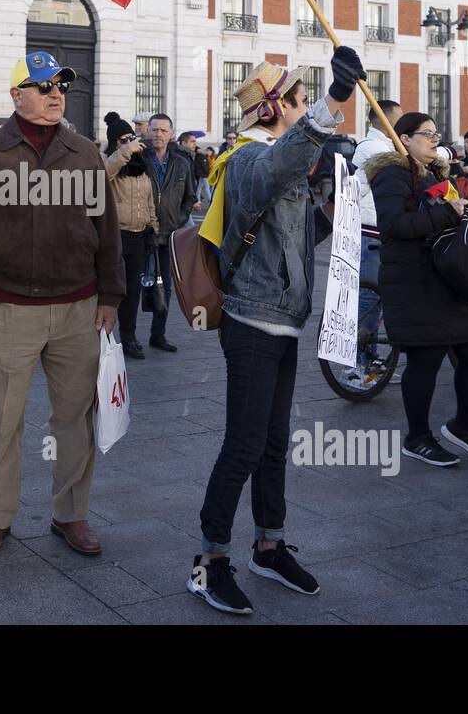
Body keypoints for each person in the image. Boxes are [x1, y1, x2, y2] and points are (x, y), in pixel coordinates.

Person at [186, 49, 359, 616]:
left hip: (285, 323)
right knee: (243, 444)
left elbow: (296, 241)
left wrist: (352, 194)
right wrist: (333, 106)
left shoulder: (279, 159)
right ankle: (209, 560)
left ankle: (268, 544)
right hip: (252, 323)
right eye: (300, 98)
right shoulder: (244, 160)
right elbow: (275, 173)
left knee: (275, 443)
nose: (306, 103)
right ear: (274, 109)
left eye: (309, 97)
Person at [0, 52, 124, 559]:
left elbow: (108, 231)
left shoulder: (84, 152)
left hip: (79, 307)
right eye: (43, 86)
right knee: (1, 419)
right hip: (8, 306)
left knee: (75, 419)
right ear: (16, 95)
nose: (56, 94)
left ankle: (71, 515)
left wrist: (111, 295)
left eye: (61, 86)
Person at [366, 114, 468, 468]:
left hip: (448, 279)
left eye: (436, 134)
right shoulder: (391, 174)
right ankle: (418, 437)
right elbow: (394, 225)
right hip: (414, 281)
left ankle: (464, 426)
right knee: (426, 360)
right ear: (405, 139)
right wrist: (448, 215)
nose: (434, 140)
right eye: (427, 134)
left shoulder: (439, 174)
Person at [352, 98, 402, 377]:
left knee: (377, 295)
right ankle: (359, 360)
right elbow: (404, 163)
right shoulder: (373, 148)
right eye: (399, 119)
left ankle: (368, 357)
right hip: (370, 230)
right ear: (384, 121)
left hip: (378, 229)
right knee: (369, 296)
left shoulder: (384, 146)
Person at [104, 111, 158, 361]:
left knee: (133, 291)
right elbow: (104, 174)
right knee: (109, 291)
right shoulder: (110, 162)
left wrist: (153, 228)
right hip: (115, 237)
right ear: (115, 143)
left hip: (138, 238)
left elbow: (149, 201)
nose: (129, 142)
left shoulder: (141, 166)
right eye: (122, 139)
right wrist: (126, 150)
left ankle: (129, 337)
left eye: (131, 138)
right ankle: (102, 336)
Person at [143, 112, 196, 352]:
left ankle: (158, 334)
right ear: (148, 131)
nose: (159, 134)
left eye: (164, 130)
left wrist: (180, 219)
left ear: (171, 134)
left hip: (168, 235)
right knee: (135, 287)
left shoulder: (181, 163)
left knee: (164, 286)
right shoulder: (139, 159)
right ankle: (128, 336)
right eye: (155, 130)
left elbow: (190, 197)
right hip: (140, 233)